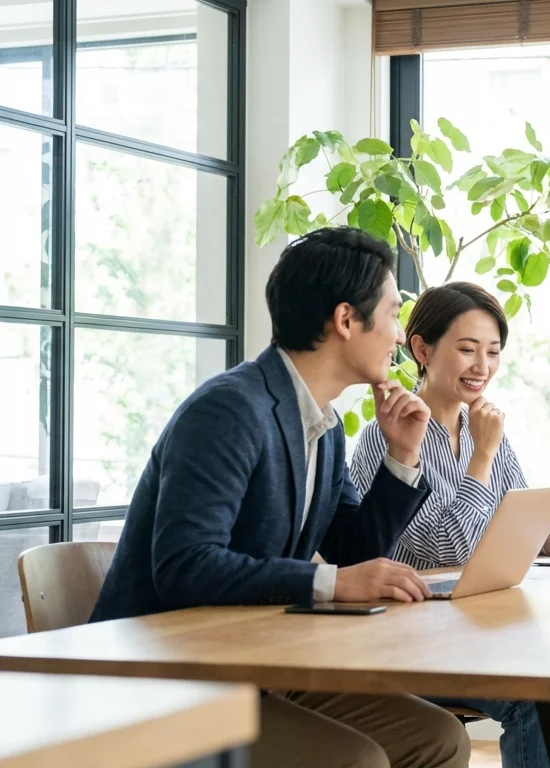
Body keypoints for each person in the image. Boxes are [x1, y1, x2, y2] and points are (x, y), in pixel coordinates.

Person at [89, 227, 469, 768]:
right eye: (390, 313)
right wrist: (332, 583)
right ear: (344, 320)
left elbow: (350, 549)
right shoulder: (228, 411)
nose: (397, 334)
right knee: (355, 759)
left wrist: (401, 457)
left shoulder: (324, 423)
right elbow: (184, 565)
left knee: (438, 737)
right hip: (170, 674)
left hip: (258, 664)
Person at [350, 281, 550, 768]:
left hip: (482, 626)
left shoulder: (483, 426)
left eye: (492, 352)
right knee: (538, 697)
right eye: (467, 350)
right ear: (422, 349)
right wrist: (482, 455)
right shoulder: (384, 438)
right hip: (415, 636)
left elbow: (511, 519)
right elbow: (445, 547)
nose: (483, 367)